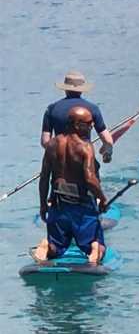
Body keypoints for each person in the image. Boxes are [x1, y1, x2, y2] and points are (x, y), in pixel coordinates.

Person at [35, 107, 109, 264]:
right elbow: (90, 179)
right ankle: (94, 249)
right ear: (76, 124)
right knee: (97, 246)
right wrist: (102, 198)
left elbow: (44, 178)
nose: (91, 126)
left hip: (59, 205)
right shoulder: (85, 147)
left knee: (56, 248)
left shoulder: (52, 145)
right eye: (88, 123)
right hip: (82, 208)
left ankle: (47, 246)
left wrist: (43, 205)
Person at [42, 71, 114, 164]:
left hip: (60, 163)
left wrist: (59, 153)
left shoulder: (51, 108)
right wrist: (106, 151)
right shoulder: (92, 108)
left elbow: (45, 142)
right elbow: (108, 141)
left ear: (65, 89)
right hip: (85, 158)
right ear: (82, 89)